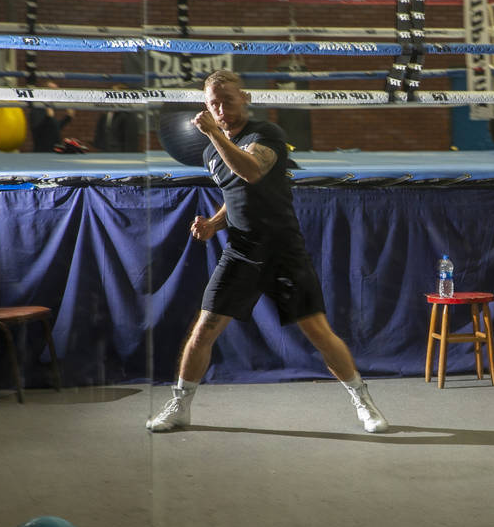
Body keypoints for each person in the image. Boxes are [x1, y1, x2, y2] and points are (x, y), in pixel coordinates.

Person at [146, 70, 388, 434]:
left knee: (318, 331)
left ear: (245, 98)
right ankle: (180, 406)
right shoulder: (212, 149)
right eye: (213, 103)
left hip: (282, 249)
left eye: (227, 100)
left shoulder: (266, 135)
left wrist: (212, 131)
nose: (221, 109)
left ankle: (362, 401)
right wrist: (215, 223)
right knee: (204, 328)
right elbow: (237, 195)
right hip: (242, 250)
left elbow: (251, 172)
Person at [28, 81, 75, 152]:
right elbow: (37, 130)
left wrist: (68, 118)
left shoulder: (50, 108)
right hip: (43, 151)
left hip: (54, 150)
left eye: (57, 90)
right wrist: (48, 118)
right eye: (54, 90)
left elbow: (54, 128)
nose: (57, 93)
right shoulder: (38, 107)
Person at [94, 86, 140, 152]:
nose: (112, 97)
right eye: (111, 94)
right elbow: (99, 139)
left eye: (116, 94)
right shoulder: (105, 115)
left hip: (121, 157)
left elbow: (131, 143)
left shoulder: (128, 116)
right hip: (105, 156)